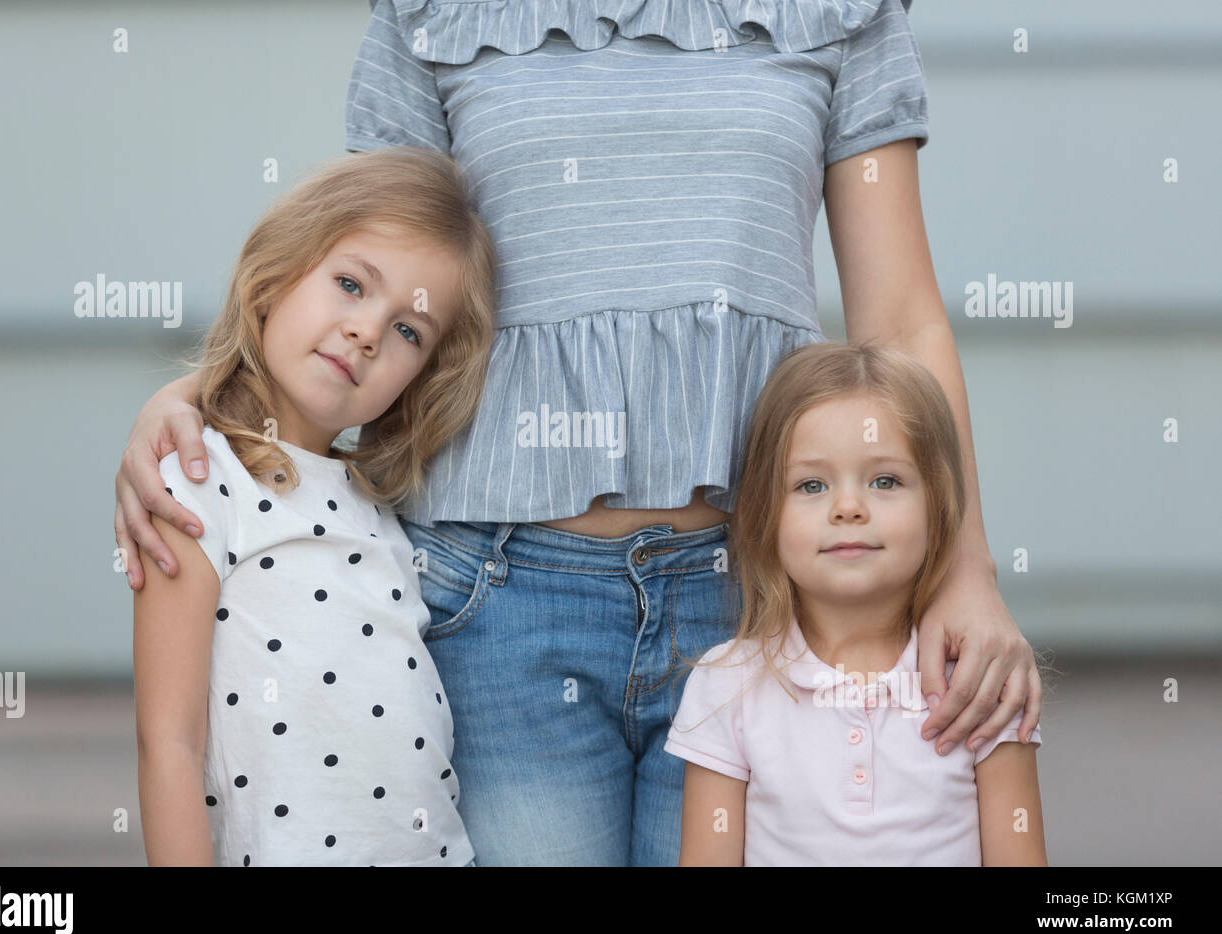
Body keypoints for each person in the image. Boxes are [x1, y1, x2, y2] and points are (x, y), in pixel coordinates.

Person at [117, 0, 1042, 866]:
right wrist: (204, 396)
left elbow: (901, 321)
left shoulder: (835, 13)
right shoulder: (440, 13)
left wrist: (965, 568)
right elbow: (364, 266)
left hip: (755, 600)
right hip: (498, 602)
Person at [132, 147, 497, 866]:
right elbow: (167, 744)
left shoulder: (383, 507)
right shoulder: (200, 477)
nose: (368, 331)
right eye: (351, 284)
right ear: (278, 273)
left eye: (407, 332)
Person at [665, 342, 1045, 865]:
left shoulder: (980, 684)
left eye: (884, 480)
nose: (847, 507)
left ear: (940, 505)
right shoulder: (726, 686)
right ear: (764, 514)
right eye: (811, 484)